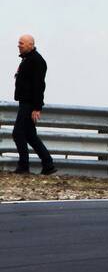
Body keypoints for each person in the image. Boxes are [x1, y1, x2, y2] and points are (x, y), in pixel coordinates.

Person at [13, 35, 56, 175]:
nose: (19, 45)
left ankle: (23, 166)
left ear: (31, 45)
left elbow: (39, 85)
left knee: (18, 133)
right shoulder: (28, 59)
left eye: (22, 43)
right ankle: (48, 164)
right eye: (19, 43)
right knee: (30, 135)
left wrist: (37, 107)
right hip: (25, 102)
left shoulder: (37, 61)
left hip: (29, 104)